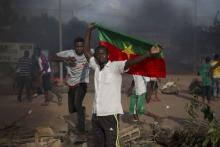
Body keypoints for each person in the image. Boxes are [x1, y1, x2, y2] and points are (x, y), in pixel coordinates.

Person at [84, 24, 160, 147]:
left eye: (103, 53)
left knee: (112, 144)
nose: (100, 56)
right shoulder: (96, 67)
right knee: (99, 144)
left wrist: (148, 53)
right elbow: (86, 51)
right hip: (96, 114)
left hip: (110, 114)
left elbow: (131, 61)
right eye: (98, 54)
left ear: (108, 55)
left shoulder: (115, 66)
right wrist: (88, 30)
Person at [52, 37, 90, 141]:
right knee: (71, 109)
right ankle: (76, 124)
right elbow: (53, 57)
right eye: (77, 46)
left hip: (82, 84)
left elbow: (101, 54)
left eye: (82, 46)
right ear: (74, 47)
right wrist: (66, 59)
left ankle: (82, 131)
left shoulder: (88, 53)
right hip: (71, 85)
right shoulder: (69, 53)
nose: (80, 48)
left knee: (77, 103)